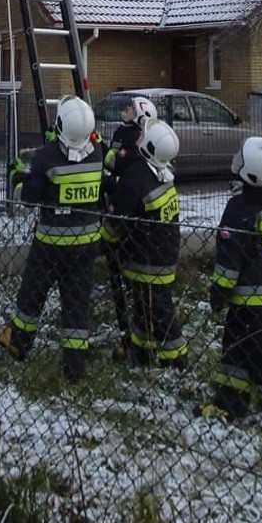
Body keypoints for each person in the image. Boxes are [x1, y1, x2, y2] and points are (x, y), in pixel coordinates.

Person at [0, 94, 103, 382]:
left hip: (51, 246)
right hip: (87, 245)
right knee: (77, 304)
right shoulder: (97, 155)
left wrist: (17, 177)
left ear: (59, 125)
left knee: (32, 295)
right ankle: (75, 367)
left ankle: (19, 343)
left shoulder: (45, 158)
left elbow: (29, 199)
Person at [203, 135, 262, 420]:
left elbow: (230, 256)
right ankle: (232, 401)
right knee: (240, 348)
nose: (235, 160)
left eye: (240, 157)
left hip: (247, 294)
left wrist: (219, 289)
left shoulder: (240, 209)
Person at [106, 119, 189, 369]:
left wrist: (106, 242)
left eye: (144, 137)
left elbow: (117, 219)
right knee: (145, 308)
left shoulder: (136, 176)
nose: (139, 138)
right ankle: (142, 353)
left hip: (145, 260)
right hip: (163, 254)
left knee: (159, 310)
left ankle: (177, 360)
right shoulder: (162, 175)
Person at [101, 95, 158, 359]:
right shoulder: (122, 132)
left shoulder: (137, 138)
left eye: (129, 108)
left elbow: (119, 162)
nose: (124, 111)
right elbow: (111, 157)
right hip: (116, 200)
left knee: (126, 280)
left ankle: (131, 334)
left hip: (125, 207)